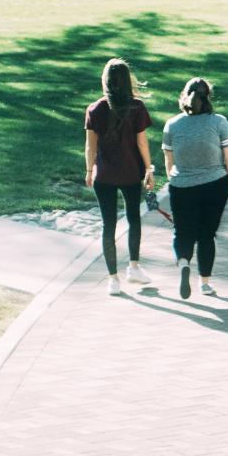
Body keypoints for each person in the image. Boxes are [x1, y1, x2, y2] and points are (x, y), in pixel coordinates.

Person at [162, 78, 228, 299]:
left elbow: (169, 161)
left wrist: (174, 181)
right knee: (207, 234)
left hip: (181, 185)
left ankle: (184, 263)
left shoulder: (172, 125)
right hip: (215, 184)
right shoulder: (219, 122)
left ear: (184, 96)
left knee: (182, 232)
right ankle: (205, 282)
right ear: (208, 97)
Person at [85, 58, 155, 294]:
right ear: (127, 81)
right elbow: (142, 142)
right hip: (130, 172)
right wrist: (148, 169)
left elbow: (90, 146)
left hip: (103, 174)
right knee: (134, 218)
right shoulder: (136, 107)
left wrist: (88, 170)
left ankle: (113, 279)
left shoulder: (94, 109)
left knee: (108, 225)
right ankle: (133, 266)